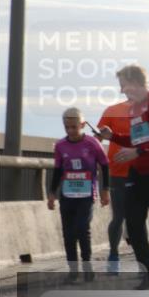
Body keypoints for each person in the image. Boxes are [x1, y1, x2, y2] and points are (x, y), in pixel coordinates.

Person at [98, 64, 149, 288]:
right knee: (133, 225)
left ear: (136, 83)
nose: (122, 90)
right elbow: (137, 139)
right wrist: (113, 136)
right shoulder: (134, 109)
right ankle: (148, 275)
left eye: (123, 85)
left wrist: (138, 151)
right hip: (137, 173)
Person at [48, 107, 110, 282]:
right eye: (67, 127)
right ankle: (73, 270)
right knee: (68, 233)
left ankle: (87, 264)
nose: (70, 131)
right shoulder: (60, 146)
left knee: (82, 228)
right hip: (67, 194)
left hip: (86, 194)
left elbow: (105, 166)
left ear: (82, 125)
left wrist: (106, 190)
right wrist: (52, 193)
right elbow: (57, 170)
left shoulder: (92, 143)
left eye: (74, 127)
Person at [97, 100, 135, 274]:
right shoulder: (113, 110)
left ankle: (144, 262)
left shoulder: (147, 111)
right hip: (117, 172)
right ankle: (113, 256)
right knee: (118, 216)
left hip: (140, 173)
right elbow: (99, 136)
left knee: (137, 218)